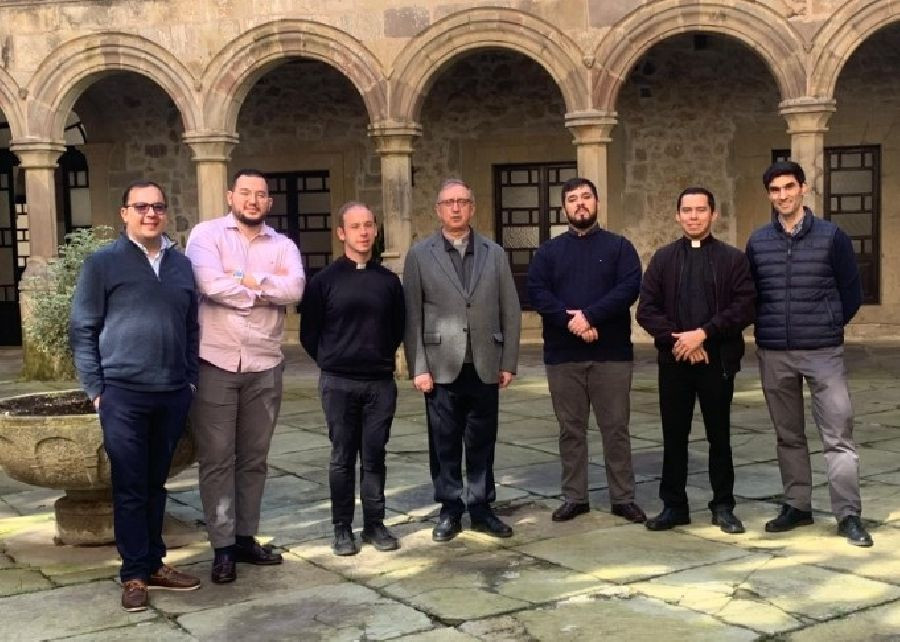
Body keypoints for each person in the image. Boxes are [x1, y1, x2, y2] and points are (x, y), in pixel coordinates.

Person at [70, 180, 200, 612]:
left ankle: (155, 563)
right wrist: (96, 390)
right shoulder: (103, 263)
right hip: (122, 394)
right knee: (129, 486)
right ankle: (134, 575)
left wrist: (190, 380)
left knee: (155, 483)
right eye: (141, 207)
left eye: (157, 207)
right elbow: (83, 328)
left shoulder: (181, 265)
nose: (150, 214)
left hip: (172, 392)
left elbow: (192, 327)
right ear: (124, 213)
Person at [185, 168, 305, 583]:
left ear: (269, 202)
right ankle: (222, 548)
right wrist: (263, 290)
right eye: (245, 193)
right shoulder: (206, 235)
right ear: (230, 196)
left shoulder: (283, 245)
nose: (253, 200)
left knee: (254, 459)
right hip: (216, 362)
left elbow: (295, 291)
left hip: (265, 364)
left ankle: (244, 538)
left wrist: (240, 279)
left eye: (260, 194)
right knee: (217, 458)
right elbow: (208, 284)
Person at [746, 160, 872, 547]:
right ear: (769, 195)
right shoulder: (758, 241)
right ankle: (797, 505)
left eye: (789, 187)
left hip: (823, 352)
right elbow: (752, 294)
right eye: (775, 190)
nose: (782, 195)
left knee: (838, 435)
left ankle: (848, 514)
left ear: (803, 188)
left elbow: (851, 291)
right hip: (775, 352)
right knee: (788, 436)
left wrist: (829, 323)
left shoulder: (832, 237)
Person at [404, 178, 521, 541]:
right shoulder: (419, 255)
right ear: (438, 210)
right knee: (444, 443)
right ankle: (450, 509)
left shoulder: (494, 253)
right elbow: (412, 316)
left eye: (462, 202)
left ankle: (482, 508)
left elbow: (510, 309)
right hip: (440, 367)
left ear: (472, 207)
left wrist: (508, 361)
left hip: (485, 363)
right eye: (448, 202)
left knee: (483, 442)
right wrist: (418, 367)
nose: (455, 208)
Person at [636, 187, 755, 533]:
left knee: (719, 437)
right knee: (674, 437)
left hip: (716, 361)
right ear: (677, 216)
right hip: (675, 361)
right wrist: (680, 340)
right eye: (687, 210)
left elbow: (744, 306)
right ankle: (674, 506)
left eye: (700, 210)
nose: (693, 216)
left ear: (713, 214)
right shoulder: (663, 259)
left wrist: (703, 334)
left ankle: (723, 506)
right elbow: (646, 310)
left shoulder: (733, 259)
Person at [527, 177, 645, 524]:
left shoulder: (619, 247)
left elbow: (629, 288)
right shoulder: (548, 252)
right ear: (564, 207)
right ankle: (575, 497)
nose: (580, 203)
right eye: (572, 199)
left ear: (597, 202)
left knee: (616, 429)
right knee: (571, 430)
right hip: (563, 355)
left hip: (611, 354)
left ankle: (622, 497)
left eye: (586, 197)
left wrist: (590, 316)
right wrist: (572, 322)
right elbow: (538, 292)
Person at [300, 202, 405, 556]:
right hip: (338, 383)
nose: (363, 232)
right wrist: (334, 360)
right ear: (342, 233)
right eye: (356, 226)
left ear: (375, 231)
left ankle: (375, 524)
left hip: (379, 383)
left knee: (374, 456)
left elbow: (397, 328)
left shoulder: (388, 282)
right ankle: (342, 528)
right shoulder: (323, 281)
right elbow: (309, 333)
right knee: (342, 457)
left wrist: (376, 357)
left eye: (368, 225)